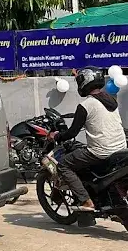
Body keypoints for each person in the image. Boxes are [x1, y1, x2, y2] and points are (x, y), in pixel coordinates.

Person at [52, 68, 127, 211]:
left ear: (85, 83)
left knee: (63, 165)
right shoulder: (111, 100)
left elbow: (72, 132)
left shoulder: (85, 105)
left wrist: (57, 136)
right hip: (120, 148)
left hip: (101, 151)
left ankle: (86, 201)